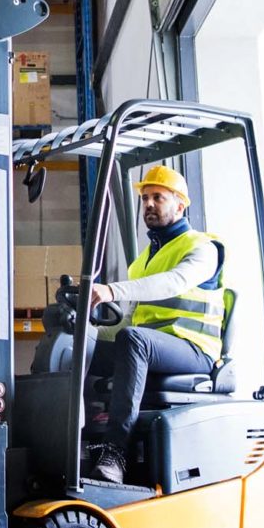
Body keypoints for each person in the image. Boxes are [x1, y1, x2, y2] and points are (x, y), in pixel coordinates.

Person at [85, 165, 225, 484]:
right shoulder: (143, 260)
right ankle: (86, 440)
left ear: (180, 204)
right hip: (154, 349)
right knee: (79, 349)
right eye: (145, 197)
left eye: (158, 197)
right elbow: (132, 322)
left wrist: (111, 290)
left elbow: (173, 283)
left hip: (195, 352)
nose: (148, 204)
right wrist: (84, 333)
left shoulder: (201, 249)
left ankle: (116, 452)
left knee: (136, 341)